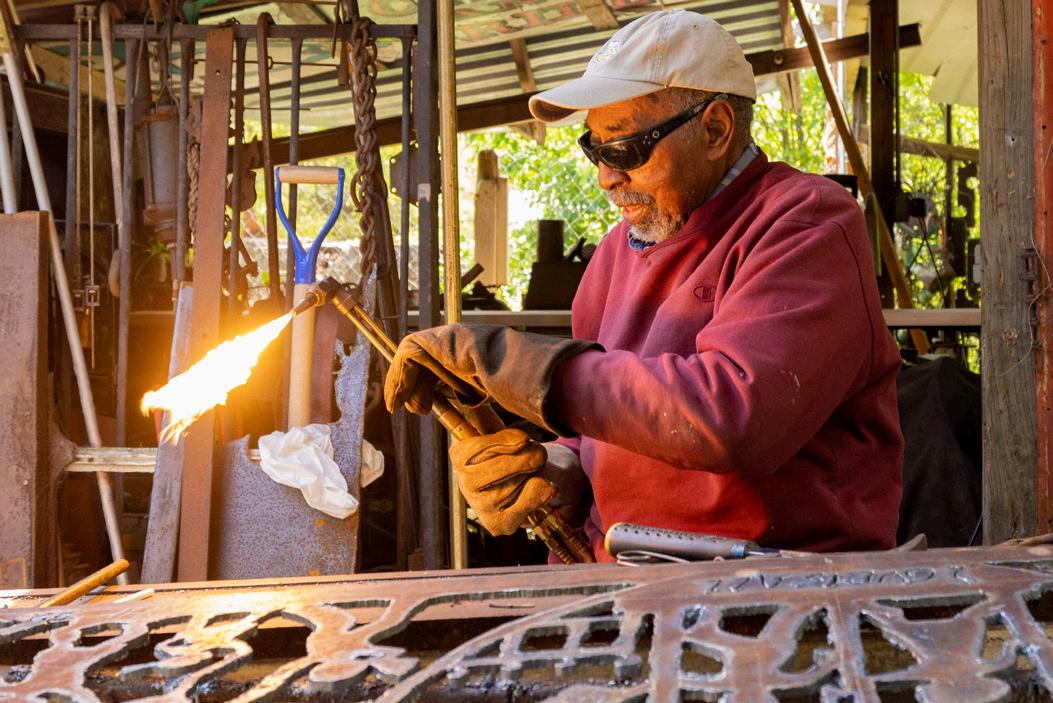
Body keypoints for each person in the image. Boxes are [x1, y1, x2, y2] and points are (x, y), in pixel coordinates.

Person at [385, 9, 904, 562]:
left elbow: (735, 416)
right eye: (594, 149)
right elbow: (600, 431)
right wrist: (555, 470)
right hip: (626, 573)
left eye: (624, 149)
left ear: (715, 129)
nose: (606, 177)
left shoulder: (806, 221)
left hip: (776, 581)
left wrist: (523, 366)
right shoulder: (614, 255)